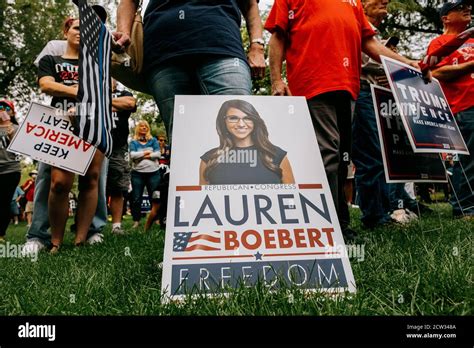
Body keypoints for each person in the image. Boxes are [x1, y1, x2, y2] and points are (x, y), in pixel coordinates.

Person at [265, 0, 421, 240]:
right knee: (328, 154)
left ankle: (340, 222)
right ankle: (327, 226)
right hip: (312, 84)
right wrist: (276, 79)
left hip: (348, 87)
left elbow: (368, 42)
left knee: (341, 158)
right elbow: (278, 36)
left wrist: (407, 63)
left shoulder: (353, 2)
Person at [23, 9, 110, 256]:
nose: (82, 33)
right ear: (66, 31)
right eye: (77, 28)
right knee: (58, 183)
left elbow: (108, 86)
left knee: (91, 179)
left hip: (93, 121)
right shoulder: (52, 56)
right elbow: (46, 84)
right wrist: (80, 92)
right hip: (59, 123)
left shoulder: (96, 60)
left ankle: (82, 239)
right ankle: (53, 241)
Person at [114, 0, 266, 141]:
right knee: (183, 141)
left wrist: (257, 46)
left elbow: (250, 4)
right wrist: (123, 32)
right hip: (163, 53)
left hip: (223, 46)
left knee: (240, 130)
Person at [427, 0, 474, 220]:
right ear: (445, 18)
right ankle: (463, 208)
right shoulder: (440, 42)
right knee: (469, 159)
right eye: (460, 8)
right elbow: (435, 73)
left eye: (468, 8)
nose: (467, 10)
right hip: (464, 106)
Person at [200, 99, 295, 185]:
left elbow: (293, 198)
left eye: (247, 118)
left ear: (254, 121)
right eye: (233, 118)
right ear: (223, 122)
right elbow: (202, 200)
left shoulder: (276, 154)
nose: (241, 124)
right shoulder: (210, 159)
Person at [107, 79, 137, 235]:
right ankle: (90, 226)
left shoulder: (124, 93)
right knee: (92, 184)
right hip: (94, 144)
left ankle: (116, 226)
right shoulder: (92, 91)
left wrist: (102, 102)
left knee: (118, 187)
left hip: (118, 146)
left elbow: (130, 103)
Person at [129, 120, 161, 228]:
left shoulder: (153, 141)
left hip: (153, 173)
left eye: (146, 126)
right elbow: (132, 155)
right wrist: (147, 152)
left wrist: (143, 155)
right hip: (137, 173)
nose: (144, 128)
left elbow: (158, 154)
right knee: (136, 198)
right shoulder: (133, 142)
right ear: (138, 128)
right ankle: (136, 221)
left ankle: (156, 219)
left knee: (155, 197)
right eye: (142, 126)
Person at [0, 100, 21, 242]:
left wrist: (9, 129)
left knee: (4, 201)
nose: (2, 110)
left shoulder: (17, 127)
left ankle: (0, 233)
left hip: (10, 170)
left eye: (7, 107)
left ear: (12, 112)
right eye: (0, 107)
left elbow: (19, 147)